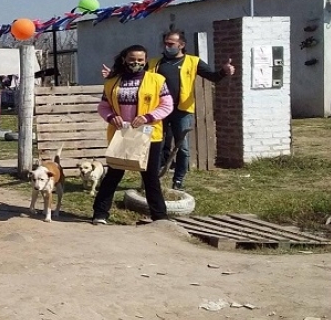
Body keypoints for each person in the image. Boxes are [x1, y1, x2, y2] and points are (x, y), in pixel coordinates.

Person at [92, 44, 174, 225]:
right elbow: (103, 106)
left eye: (140, 60)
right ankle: (100, 214)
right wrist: (111, 117)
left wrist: (147, 117)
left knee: (150, 177)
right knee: (114, 174)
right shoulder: (112, 82)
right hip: (121, 134)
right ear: (124, 60)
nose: (135, 63)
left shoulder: (157, 80)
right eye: (132, 60)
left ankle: (160, 217)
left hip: (149, 136)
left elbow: (167, 105)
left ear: (145, 61)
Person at [147, 31, 234, 190]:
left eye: (171, 44)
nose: (167, 46)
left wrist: (224, 71)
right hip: (159, 110)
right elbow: (137, 77)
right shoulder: (155, 63)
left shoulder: (193, 61)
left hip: (182, 110)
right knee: (157, 144)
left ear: (181, 45)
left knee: (182, 146)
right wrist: (113, 75)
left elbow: (213, 77)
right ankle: (154, 177)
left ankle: (178, 179)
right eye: (165, 43)